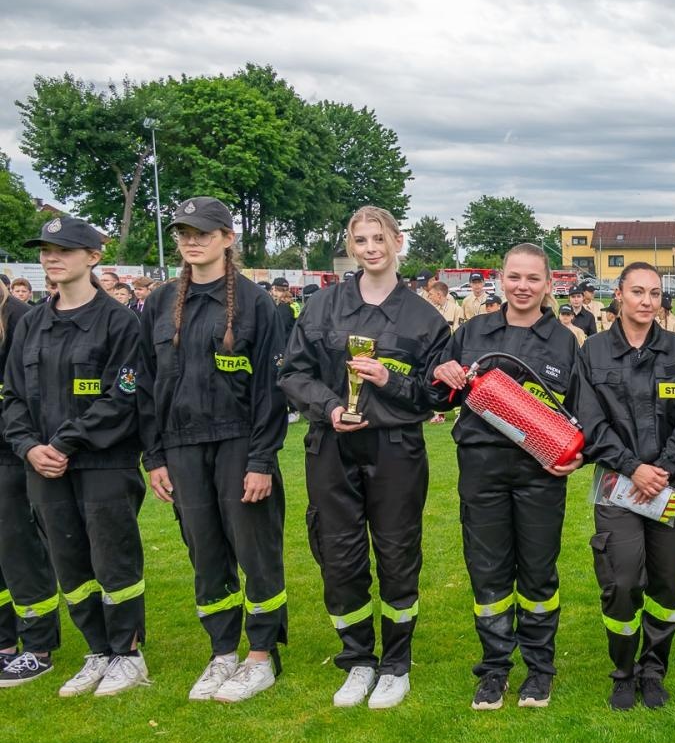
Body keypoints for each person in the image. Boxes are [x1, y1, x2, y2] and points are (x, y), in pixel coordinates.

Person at [280, 207, 450, 709]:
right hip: (331, 447)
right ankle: (357, 659)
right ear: (351, 246)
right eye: (361, 239)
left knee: (397, 554)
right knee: (340, 555)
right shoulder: (322, 306)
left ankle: (396, 662)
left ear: (398, 242)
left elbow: (436, 396)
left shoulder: (426, 318)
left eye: (380, 238)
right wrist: (330, 407)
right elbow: (293, 373)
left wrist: (389, 380)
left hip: (395, 450)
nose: (371, 247)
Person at [142, 197, 289, 703]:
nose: (191, 240)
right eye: (183, 232)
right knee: (205, 553)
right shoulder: (161, 302)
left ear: (228, 239)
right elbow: (146, 386)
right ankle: (222, 651)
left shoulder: (255, 303)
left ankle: (261, 655)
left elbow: (273, 389)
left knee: (255, 551)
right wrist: (154, 457)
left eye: (202, 232)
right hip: (181, 448)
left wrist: (261, 461)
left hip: (239, 444)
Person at [0, 215, 154, 697]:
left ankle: (127, 653)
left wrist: (65, 442)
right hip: (44, 466)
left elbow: (122, 396)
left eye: (63, 249)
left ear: (93, 257)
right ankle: (97, 650)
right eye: (45, 249)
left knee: (114, 562)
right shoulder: (33, 322)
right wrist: (29, 447)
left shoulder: (119, 321)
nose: (51, 257)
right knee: (70, 564)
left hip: (102, 463)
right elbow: (13, 398)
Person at [431, 244, 583, 711]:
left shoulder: (564, 342)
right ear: (500, 278)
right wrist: (441, 374)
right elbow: (439, 399)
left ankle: (540, 670)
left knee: (538, 574)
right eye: (514, 277)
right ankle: (494, 669)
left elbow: (583, 414)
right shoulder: (472, 331)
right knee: (489, 573)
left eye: (533, 279)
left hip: (539, 476)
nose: (522, 286)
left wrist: (580, 456)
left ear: (548, 283)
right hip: (482, 472)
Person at [574, 262, 675, 710]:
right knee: (622, 581)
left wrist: (661, 468)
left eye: (655, 293)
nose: (647, 301)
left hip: (669, 485)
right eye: (637, 291)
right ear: (619, 295)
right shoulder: (593, 353)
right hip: (618, 489)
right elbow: (590, 420)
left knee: (666, 586)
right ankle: (624, 671)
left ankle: (653, 669)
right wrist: (632, 468)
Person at [0, 269, 57, 687]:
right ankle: (4, 643)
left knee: (18, 548)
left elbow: (24, 392)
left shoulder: (21, 317)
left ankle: (37, 645)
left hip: (12, 452)